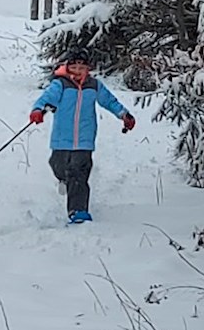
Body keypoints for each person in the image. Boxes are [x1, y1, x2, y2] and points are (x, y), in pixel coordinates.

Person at [29, 54, 137, 223]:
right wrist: (38, 109)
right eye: (74, 68)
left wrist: (124, 115)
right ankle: (63, 179)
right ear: (67, 68)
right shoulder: (60, 84)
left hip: (85, 138)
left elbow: (110, 101)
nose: (78, 72)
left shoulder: (94, 86)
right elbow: (47, 98)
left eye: (82, 68)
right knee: (57, 164)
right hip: (62, 137)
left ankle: (78, 211)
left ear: (88, 69)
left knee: (79, 173)